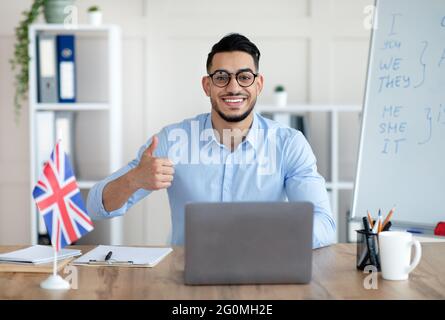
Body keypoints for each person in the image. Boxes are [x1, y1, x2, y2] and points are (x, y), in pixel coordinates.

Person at [87, 33, 336, 248]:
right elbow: (96, 206)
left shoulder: (289, 144)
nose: (233, 87)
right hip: (185, 278)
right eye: (221, 77)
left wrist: (268, 235)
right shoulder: (172, 141)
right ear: (207, 86)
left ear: (258, 84)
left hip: (263, 271)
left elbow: (324, 224)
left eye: (245, 77)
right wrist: (134, 180)